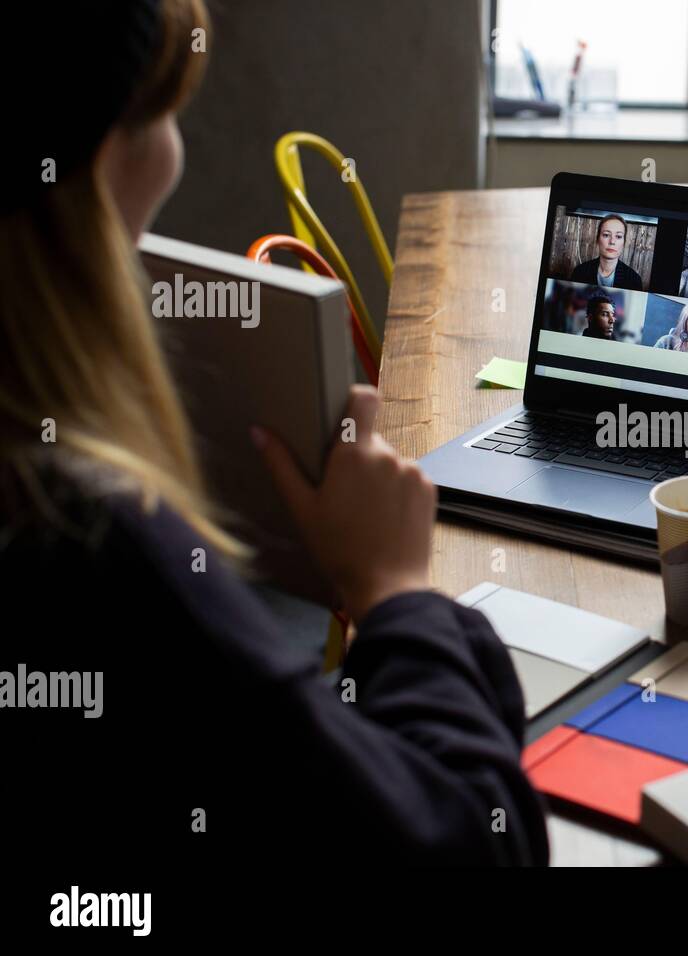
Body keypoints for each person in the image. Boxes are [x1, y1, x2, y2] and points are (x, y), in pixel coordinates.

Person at [0, 0, 547, 865]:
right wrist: (395, 593)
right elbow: (479, 842)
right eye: (166, 114)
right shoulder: (94, 540)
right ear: (108, 157)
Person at [569, 213, 644, 290]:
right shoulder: (580, 272)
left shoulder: (634, 279)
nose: (612, 241)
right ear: (598, 239)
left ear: (624, 243)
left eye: (618, 236)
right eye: (606, 235)